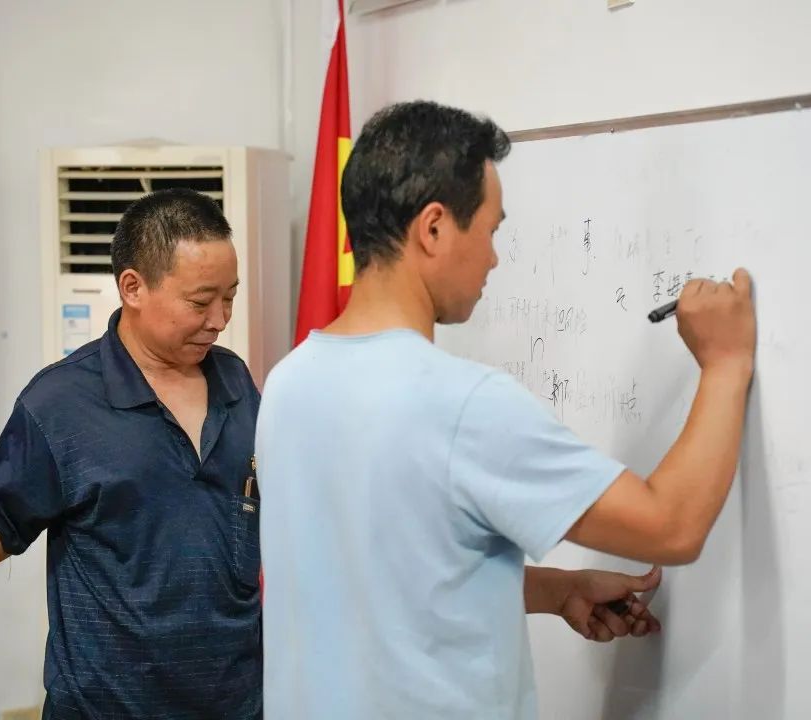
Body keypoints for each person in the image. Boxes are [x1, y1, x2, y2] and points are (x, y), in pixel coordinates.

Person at [255, 100, 756, 719]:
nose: (494, 257)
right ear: (433, 229)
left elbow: (377, 576)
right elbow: (671, 527)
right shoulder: (461, 405)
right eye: (491, 231)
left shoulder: (289, 383)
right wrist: (725, 363)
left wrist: (558, 590)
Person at [0, 188, 264, 719]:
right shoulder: (61, 402)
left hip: (236, 703)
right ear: (133, 287)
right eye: (200, 302)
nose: (220, 319)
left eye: (230, 297)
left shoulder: (235, 380)